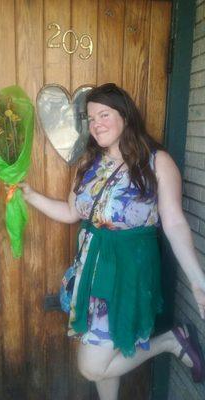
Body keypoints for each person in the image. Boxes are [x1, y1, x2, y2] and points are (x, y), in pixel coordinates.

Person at [20, 83, 205, 400]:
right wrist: (31, 196)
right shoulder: (87, 163)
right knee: (105, 351)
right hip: (91, 271)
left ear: (125, 116)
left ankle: (171, 341)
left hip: (127, 274)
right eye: (90, 118)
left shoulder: (156, 162)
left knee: (92, 366)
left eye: (103, 114)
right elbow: (70, 211)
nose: (95, 124)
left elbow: (174, 222)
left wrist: (197, 281)